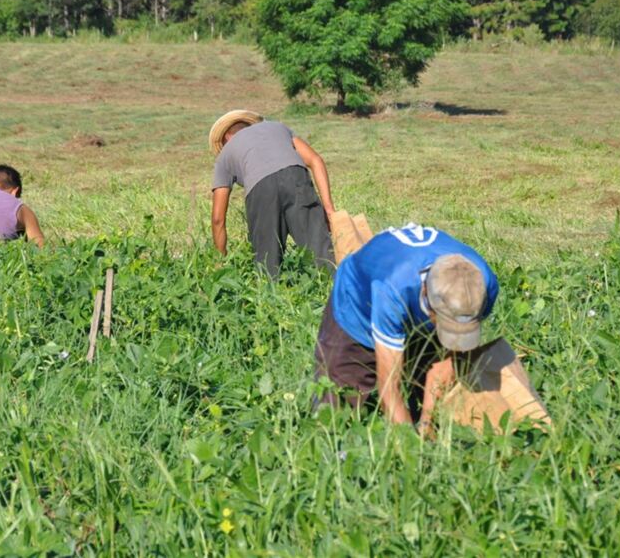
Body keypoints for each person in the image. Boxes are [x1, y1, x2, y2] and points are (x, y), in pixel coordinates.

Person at [313, 223, 499, 433]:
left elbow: (446, 364)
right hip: (358, 303)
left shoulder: (482, 284)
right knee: (335, 405)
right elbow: (388, 390)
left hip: (417, 300)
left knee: (438, 394)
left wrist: (428, 420)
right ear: (429, 304)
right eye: (448, 326)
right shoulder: (393, 290)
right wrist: (412, 451)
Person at [209, 110, 335, 277]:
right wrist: (329, 209)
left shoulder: (225, 155)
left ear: (227, 138)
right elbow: (315, 160)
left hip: (260, 190)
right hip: (295, 176)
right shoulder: (278, 128)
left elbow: (218, 219)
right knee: (322, 257)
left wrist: (220, 261)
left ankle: (272, 297)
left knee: (267, 266)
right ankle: (338, 294)